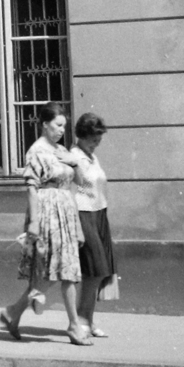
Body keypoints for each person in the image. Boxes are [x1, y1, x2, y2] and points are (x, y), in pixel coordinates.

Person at [0, 101, 91, 347]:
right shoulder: (37, 150)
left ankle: (14, 313)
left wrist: (72, 159)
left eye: (64, 126)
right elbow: (31, 188)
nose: (62, 130)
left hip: (66, 212)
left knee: (66, 270)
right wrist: (35, 223)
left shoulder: (61, 150)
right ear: (45, 124)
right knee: (53, 272)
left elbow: (80, 183)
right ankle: (70, 325)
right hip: (47, 212)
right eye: (58, 125)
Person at [72, 112, 115, 338]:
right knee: (94, 269)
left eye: (99, 139)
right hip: (83, 214)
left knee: (101, 270)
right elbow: (72, 190)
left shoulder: (91, 156)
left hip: (99, 213)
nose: (96, 143)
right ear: (82, 135)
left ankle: (88, 319)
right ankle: (80, 319)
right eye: (93, 139)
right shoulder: (74, 157)